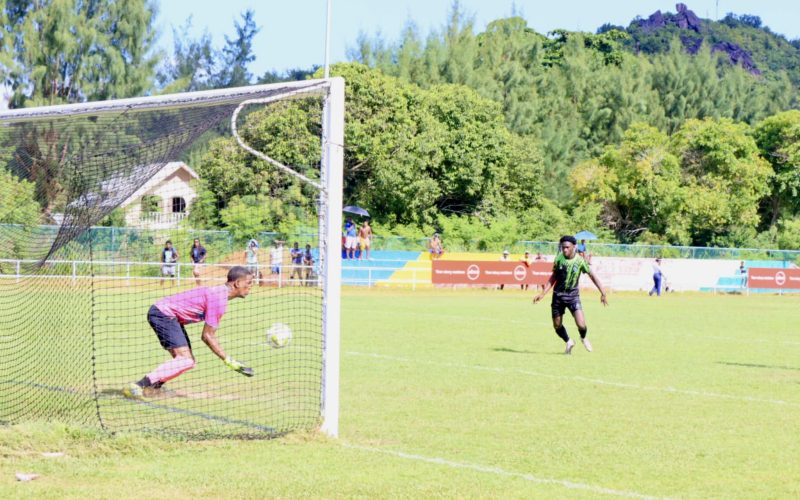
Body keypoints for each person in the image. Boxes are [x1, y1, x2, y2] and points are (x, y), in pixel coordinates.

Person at [122, 266, 255, 400]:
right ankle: (138, 386)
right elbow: (207, 336)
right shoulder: (219, 299)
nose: (251, 286)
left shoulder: (219, 294)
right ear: (237, 283)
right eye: (249, 282)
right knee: (184, 360)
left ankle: (151, 389)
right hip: (163, 314)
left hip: (167, 315)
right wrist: (229, 360)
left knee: (188, 361)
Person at [533, 235, 608, 354]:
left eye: (567, 247)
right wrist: (542, 294)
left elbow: (592, 276)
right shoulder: (559, 259)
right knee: (557, 325)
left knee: (581, 325)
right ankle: (568, 341)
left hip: (573, 296)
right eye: (563, 247)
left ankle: (583, 337)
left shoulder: (580, 261)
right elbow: (553, 277)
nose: (565, 250)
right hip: (558, 296)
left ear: (574, 247)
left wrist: (603, 292)